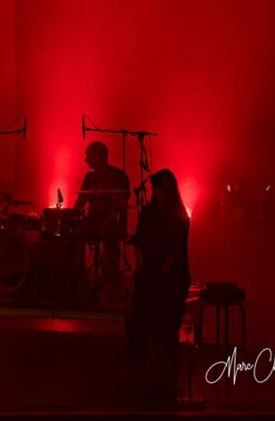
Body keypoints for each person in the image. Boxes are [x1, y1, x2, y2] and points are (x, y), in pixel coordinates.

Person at [129, 168, 191, 407]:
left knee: (167, 328)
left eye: (159, 189)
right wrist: (141, 268)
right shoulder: (150, 212)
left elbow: (177, 248)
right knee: (152, 325)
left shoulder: (177, 215)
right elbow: (140, 238)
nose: (156, 193)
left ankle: (166, 383)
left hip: (170, 277)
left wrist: (164, 267)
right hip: (151, 274)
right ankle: (154, 382)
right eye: (155, 189)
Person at [73, 141, 130, 290]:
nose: (85, 159)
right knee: (74, 236)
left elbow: (121, 206)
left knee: (110, 240)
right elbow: (80, 201)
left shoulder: (118, 176)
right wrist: (71, 219)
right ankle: (78, 278)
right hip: (92, 221)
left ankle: (112, 282)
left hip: (112, 223)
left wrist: (110, 223)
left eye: (88, 156)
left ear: (99, 157)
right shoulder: (89, 177)